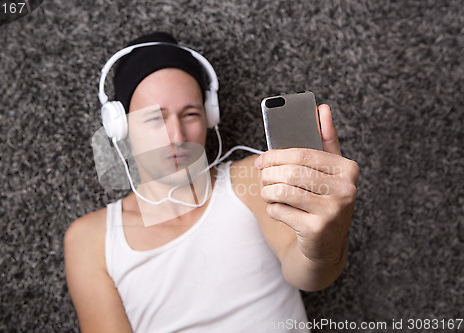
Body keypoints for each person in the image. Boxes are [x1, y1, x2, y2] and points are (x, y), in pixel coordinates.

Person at [64, 32, 359, 333]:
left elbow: (310, 275)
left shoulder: (252, 178)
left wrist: (325, 241)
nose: (177, 137)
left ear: (210, 116)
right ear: (120, 128)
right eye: (155, 119)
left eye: (190, 114)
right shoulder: (90, 239)